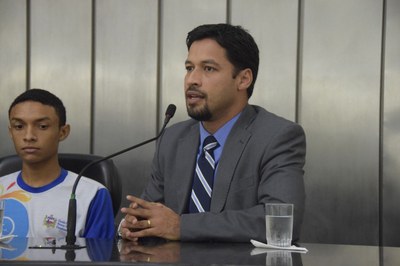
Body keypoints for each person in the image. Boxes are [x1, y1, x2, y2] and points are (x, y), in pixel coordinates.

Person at [120, 23, 306, 242]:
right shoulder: (172, 139)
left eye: (208, 69)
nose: (192, 80)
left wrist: (181, 226)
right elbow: (151, 212)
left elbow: (282, 222)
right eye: (189, 68)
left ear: (243, 79)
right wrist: (137, 223)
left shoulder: (277, 137)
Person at [0, 88, 115, 238]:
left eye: (42, 126)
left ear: (63, 132)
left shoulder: (92, 195)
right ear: (10, 132)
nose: (28, 136)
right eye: (19, 127)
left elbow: (99, 258)